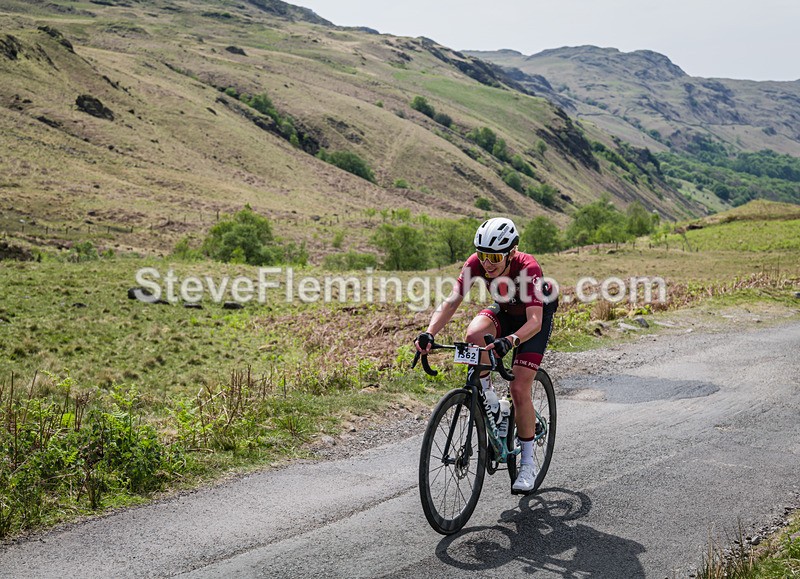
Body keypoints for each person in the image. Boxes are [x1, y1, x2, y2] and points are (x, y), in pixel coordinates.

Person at [415, 217, 558, 493]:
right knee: (473, 338)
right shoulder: (476, 263)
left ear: (512, 252)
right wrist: (430, 333)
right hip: (505, 311)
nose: (487, 263)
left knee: (518, 387)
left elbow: (535, 321)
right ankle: (490, 400)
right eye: (482, 254)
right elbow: (452, 300)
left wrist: (509, 341)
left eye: (494, 256)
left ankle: (527, 464)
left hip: (533, 319)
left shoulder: (529, 268)